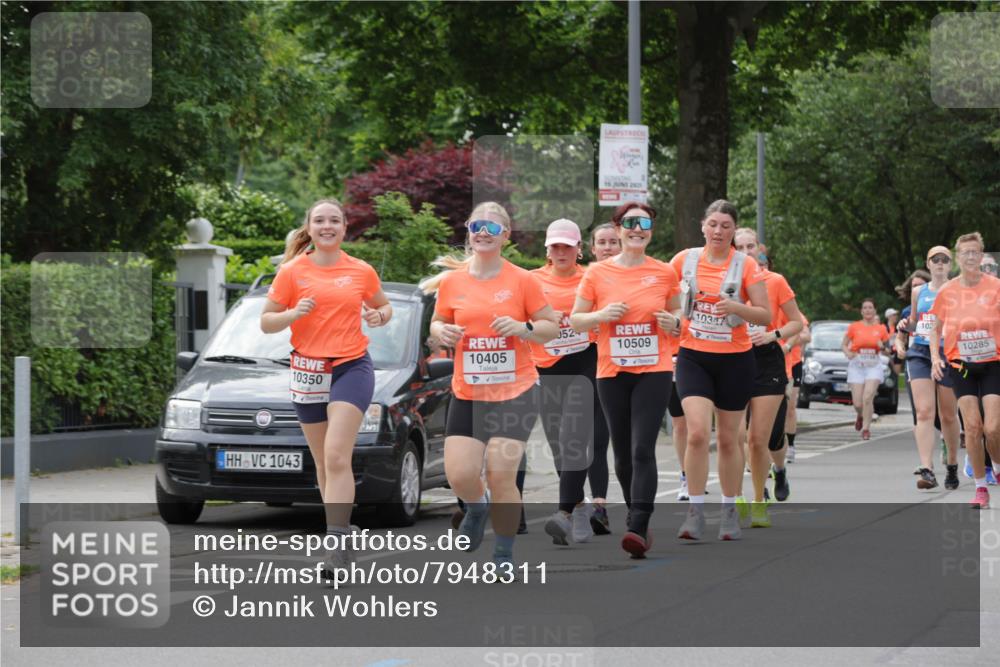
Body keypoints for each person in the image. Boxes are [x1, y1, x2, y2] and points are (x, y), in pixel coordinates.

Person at [261, 198, 393, 573]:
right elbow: (266, 322)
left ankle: (335, 546)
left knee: (336, 455)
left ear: (344, 227)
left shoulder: (360, 270)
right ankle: (341, 531)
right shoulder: (292, 271)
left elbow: (384, 308)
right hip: (307, 369)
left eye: (334, 220)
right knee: (323, 462)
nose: (327, 226)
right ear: (310, 227)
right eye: (319, 220)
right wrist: (292, 312)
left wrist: (377, 315)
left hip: (351, 366)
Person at [424, 202, 559, 566]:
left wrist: (524, 329)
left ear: (505, 236)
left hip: (515, 391)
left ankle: (503, 553)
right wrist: (441, 332)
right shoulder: (453, 282)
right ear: (469, 230)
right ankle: (477, 506)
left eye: (493, 228)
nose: (483, 232)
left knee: (501, 473)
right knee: (459, 475)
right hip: (469, 392)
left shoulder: (523, 280)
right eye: (477, 225)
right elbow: (436, 325)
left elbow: (551, 327)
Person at [570, 201, 682, 558]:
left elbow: (680, 312)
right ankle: (636, 514)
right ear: (618, 230)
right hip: (612, 371)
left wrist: (675, 323)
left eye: (644, 223)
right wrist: (602, 315)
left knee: (641, 448)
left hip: (654, 369)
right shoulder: (597, 274)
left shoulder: (664, 272)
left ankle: (638, 523)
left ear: (651, 231)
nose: (638, 229)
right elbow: (576, 320)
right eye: (630, 223)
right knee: (621, 453)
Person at [668, 200, 771, 542]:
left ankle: (729, 509)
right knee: (697, 433)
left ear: (732, 229)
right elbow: (665, 301)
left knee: (730, 438)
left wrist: (735, 307)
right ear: (702, 226)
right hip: (693, 356)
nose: (718, 231)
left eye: (726, 225)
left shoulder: (746, 264)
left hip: (735, 359)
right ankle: (695, 511)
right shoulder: (684, 260)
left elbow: (764, 315)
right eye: (713, 224)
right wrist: (673, 318)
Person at [530, 219, 612, 544]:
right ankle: (578, 507)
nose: (561, 252)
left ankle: (563, 511)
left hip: (584, 361)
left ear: (579, 249)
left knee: (573, 435)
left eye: (568, 246)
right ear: (547, 250)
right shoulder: (531, 280)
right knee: (557, 445)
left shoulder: (592, 278)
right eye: (555, 246)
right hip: (546, 367)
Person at [732, 231, 803, 527]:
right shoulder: (724, 282)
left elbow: (797, 322)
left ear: (760, 250)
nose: (747, 251)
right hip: (730, 357)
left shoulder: (775, 281)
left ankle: (761, 498)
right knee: (734, 437)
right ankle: (736, 497)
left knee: (758, 438)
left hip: (766, 360)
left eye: (752, 246)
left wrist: (773, 334)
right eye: (741, 247)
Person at [929, 232, 1000, 509]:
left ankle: (996, 464)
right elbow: (934, 328)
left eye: (975, 252)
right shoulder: (948, 291)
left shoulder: (995, 287)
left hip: (993, 363)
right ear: (958, 258)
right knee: (972, 426)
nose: (970, 257)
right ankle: (981, 488)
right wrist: (935, 357)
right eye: (965, 253)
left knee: (993, 428)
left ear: (981, 257)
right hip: (961, 365)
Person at [899, 248, 961, 491]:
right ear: (928, 264)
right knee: (924, 412)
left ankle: (953, 464)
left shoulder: (958, 289)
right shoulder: (918, 292)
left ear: (950, 264)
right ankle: (927, 469)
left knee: (947, 414)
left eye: (945, 259)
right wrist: (906, 325)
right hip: (921, 353)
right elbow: (915, 321)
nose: (940, 263)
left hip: (949, 353)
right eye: (935, 259)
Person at [842, 298, 891, 441]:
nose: (868, 310)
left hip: (874, 366)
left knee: (868, 397)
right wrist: (848, 353)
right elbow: (844, 345)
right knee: (858, 403)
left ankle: (866, 428)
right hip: (857, 365)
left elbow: (889, 351)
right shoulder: (854, 327)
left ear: (875, 310)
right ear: (862, 311)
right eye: (865, 308)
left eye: (870, 307)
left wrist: (882, 347)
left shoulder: (881, 329)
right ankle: (861, 414)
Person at [782, 315, 810, 463]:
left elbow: (806, 336)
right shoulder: (765, 309)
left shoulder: (795, 314)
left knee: (790, 407)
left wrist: (787, 339)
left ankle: (791, 444)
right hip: (774, 361)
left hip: (794, 363)